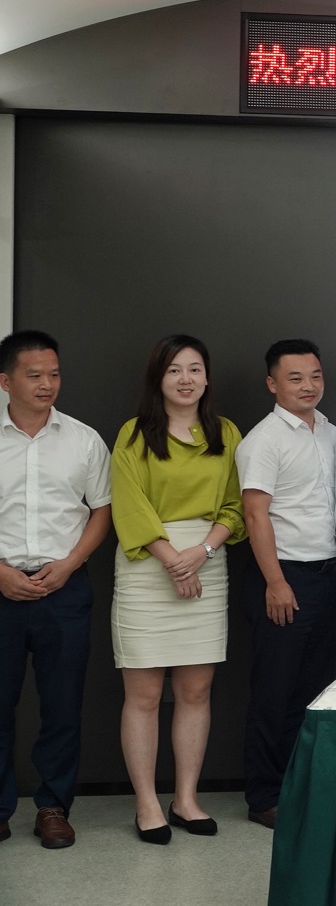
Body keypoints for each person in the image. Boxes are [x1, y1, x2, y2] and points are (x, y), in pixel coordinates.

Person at [110, 334, 245, 845]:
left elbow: (236, 504)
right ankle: (147, 803)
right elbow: (129, 505)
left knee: (195, 690)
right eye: (174, 370)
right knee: (144, 695)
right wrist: (173, 560)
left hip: (206, 560)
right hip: (148, 565)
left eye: (194, 369)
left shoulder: (225, 432)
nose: (185, 379)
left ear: (207, 377)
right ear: (158, 378)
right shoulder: (134, 433)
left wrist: (202, 552)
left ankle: (186, 798)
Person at [0, 331, 111, 850]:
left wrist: (69, 565)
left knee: (62, 707)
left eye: (54, 374)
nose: (47, 384)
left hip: (63, 588)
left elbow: (102, 510)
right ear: (6, 381)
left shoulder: (84, 439)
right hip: (0, 585)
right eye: (34, 375)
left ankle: (53, 807)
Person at [234, 339, 336, 831]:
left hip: (328, 574)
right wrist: (275, 582)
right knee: (274, 692)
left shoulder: (332, 432)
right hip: (284, 577)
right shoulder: (263, 440)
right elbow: (255, 515)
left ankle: (301, 788)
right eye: (295, 378)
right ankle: (264, 796)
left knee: (313, 691)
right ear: (272, 384)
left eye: (315, 376)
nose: (308, 386)